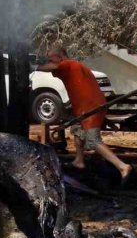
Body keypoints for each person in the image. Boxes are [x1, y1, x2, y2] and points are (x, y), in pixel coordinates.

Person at [38, 46, 132, 183]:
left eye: (50, 58)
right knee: (78, 131)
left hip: (90, 106)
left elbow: (50, 67)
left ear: (59, 57)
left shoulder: (67, 64)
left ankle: (123, 167)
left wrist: (37, 67)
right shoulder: (73, 66)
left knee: (93, 140)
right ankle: (79, 161)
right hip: (85, 105)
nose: (49, 61)